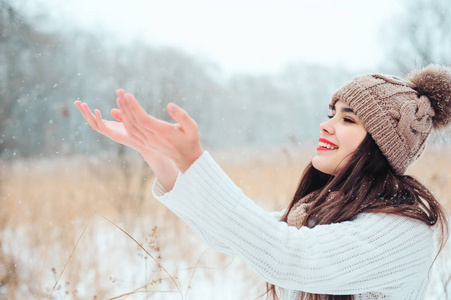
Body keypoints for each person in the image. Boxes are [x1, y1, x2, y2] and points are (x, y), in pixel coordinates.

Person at [75, 64, 451, 300]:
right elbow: (231, 234)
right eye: (330, 113)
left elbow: (287, 255)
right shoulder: (323, 213)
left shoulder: (404, 231)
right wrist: (158, 154)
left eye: (348, 120)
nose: (326, 124)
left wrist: (194, 158)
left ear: (381, 147)